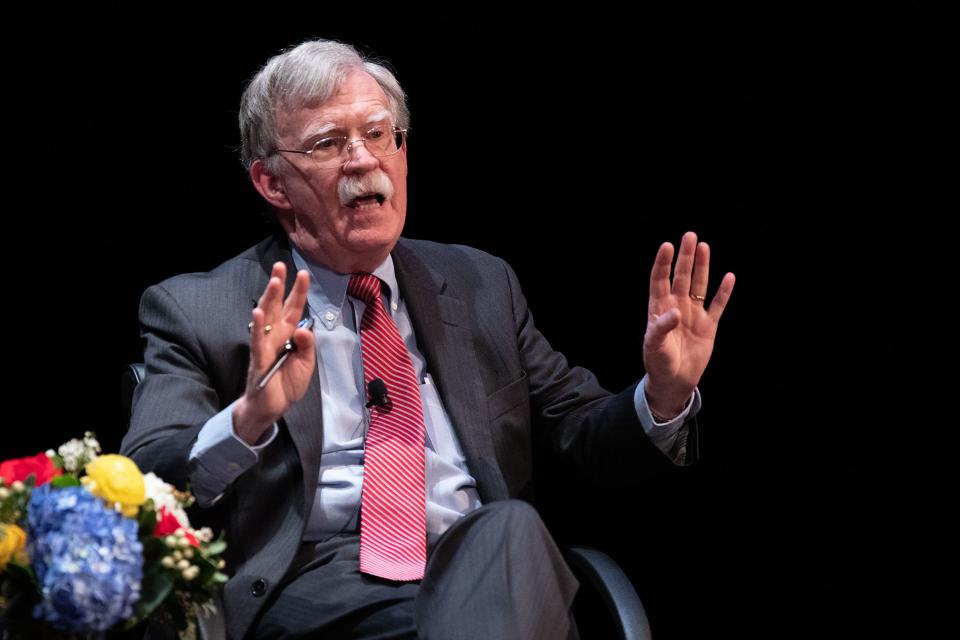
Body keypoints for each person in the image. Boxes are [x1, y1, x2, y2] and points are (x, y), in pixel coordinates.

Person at [121, 38, 735, 640]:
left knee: (509, 531)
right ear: (272, 183)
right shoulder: (199, 308)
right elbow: (147, 480)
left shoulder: (480, 286)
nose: (363, 161)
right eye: (328, 144)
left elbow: (583, 433)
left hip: (484, 567)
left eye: (378, 134)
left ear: (403, 152)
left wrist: (662, 394)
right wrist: (251, 417)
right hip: (318, 588)